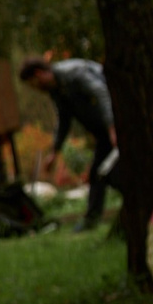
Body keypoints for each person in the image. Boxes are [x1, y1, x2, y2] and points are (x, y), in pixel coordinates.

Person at [19, 55, 117, 232]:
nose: (35, 88)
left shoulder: (73, 73)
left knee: (104, 172)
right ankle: (92, 220)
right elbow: (64, 120)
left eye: (33, 83)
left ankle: (95, 219)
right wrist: (54, 152)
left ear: (39, 74)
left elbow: (101, 92)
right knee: (99, 173)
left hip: (116, 127)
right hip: (105, 133)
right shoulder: (56, 90)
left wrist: (112, 127)